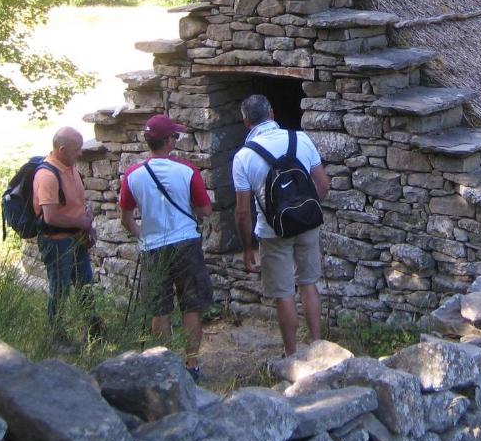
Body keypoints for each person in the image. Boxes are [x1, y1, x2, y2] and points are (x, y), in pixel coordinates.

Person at [231, 94, 330, 355]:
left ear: (246, 122)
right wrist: (305, 211)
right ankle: (318, 345)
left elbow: (242, 211)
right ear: (272, 113)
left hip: (272, 231)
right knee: (309, 284)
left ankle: (292, 354)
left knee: (284, 292)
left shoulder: (243, 157)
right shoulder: (301, 138)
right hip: (307, 226)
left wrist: (247, 248)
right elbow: (323, 184)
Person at [119, 114, 214, 382]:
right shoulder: (187, 170)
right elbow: (206, 210)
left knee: (159, 307)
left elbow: (126, 219)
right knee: (191, 305)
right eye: (176, 136)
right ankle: (192, 364)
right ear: (169, 141)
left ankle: (167, 364)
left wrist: (142, 235)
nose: (177, 140)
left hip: (153, 247)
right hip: (185, 242)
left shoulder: (132, 176)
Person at [33, 126, 101, 354]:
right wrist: (79, 223)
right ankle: (56, 337)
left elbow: (76, 204)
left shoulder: (70, 168)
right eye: (76, 149)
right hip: (57, 242)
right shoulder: (47, 175)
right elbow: (50, 216)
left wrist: (86, 224)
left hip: (77, 238)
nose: (80, 153)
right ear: (61, 149)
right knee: (60, 290)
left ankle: (95, 331)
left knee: (85, 285)